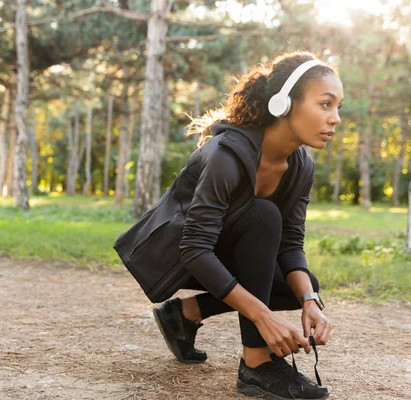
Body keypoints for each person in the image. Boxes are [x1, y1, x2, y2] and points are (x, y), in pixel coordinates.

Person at [115, 51, 342, 400]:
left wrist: (310, 301)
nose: (335, 118)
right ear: (284, 104)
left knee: (302, 283)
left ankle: (185, 315)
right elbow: (194, 249)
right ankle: (256, 365)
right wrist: (264, 318)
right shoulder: (227, 154)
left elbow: (291, 244)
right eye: (325, 104)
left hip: (227, 254)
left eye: (338, 107)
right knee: (264, 216)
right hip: (179, 258)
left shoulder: (301, 166)